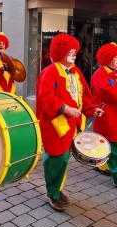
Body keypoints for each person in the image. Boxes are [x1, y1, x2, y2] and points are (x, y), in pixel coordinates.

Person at [36, 33, 104, 211]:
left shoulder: (76, 71)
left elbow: (84, 95)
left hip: (72, 124)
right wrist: (65, 108)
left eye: (74, 52)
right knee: (57, 158)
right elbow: (45, 97)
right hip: (56, 124)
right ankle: (52, 193)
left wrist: (92, 109)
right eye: (70, 52)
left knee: (64, 159)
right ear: (60, 53)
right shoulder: (49, 72)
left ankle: (57, 189)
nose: (74, 55)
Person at [91, 42, 117, 187]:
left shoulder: (113, 72)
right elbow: (111, 93)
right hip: (107, 116)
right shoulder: (100, 74)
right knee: (112, 146)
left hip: (113, 116)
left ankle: (101, 165)